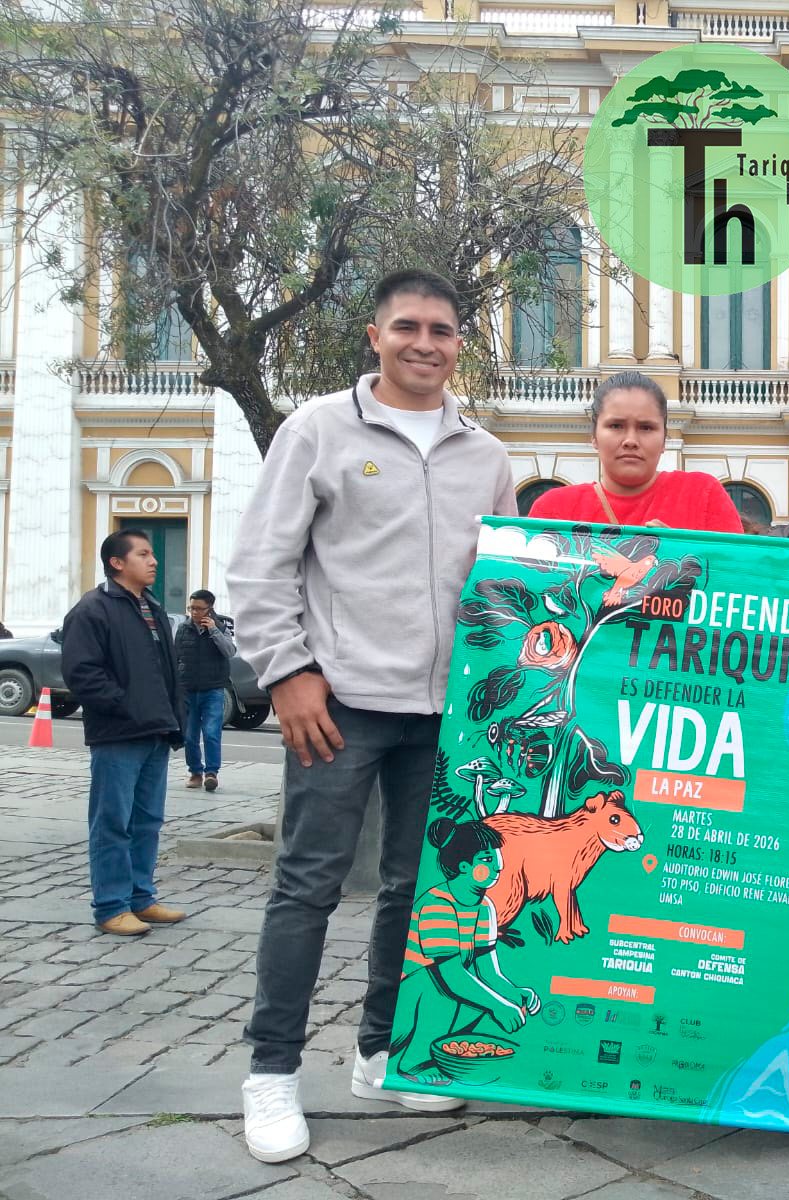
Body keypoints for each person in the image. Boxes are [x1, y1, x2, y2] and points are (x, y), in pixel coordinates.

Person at [228, 269, 518, 1163]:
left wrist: (495, 703)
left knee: (418, 892)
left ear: (459, 341)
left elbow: (504, 591)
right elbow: (259, 565)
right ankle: (271, 1073)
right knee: (307, 886)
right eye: (407, 326)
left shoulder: (487, 456)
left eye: (440, 329)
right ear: (374, 333)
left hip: (443, 718)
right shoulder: (318, 429)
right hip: (340, 706)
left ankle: (379, 1049)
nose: (424, 342)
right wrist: (288, 675)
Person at [61, 529, 188, 936]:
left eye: (153, 554)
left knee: (148, 821)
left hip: (156, 730)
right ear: (117, 563)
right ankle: (111, 906)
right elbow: (82, 673)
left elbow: (168, 672)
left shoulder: (151, 606)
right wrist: (125, 706)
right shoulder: (93, 609)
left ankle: (141, 897)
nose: (153, 561)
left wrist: (175, 718)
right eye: (144, 554)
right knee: (113, 822)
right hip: (118, 733)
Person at [392, 819, 537, 1085]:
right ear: (463, 866)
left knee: (484, 993)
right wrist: (498, 1007)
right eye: (487, 858)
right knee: (441, 982)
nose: (498, 865)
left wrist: (514, 994)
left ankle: (440, 1050)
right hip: (409, 1000)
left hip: (443, 992)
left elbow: (488, 971)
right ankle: (414, 1060)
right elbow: (449, 973)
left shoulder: (484, 907)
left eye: (497, 857)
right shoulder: (438, 904)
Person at [529, 372, 743, 533]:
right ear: (594, 436)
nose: (630, 440)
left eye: (646, 428)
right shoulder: (553, 510)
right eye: (616, 426)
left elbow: (740, 580)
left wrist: (678, 555)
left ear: (664, 439)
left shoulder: (703, 495)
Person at [175, 589, 236, 792]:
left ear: (210, 609)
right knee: (190, 736)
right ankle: (195, 772)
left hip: (213, 689)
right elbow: (176, 658)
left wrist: (214, 631)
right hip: (188, 689)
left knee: (211, 733)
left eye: (199, 609)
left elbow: (230, 651)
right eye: (191, 608)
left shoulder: (220, 628)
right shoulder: (183, 629)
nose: (194, 612)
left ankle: (212, 773)